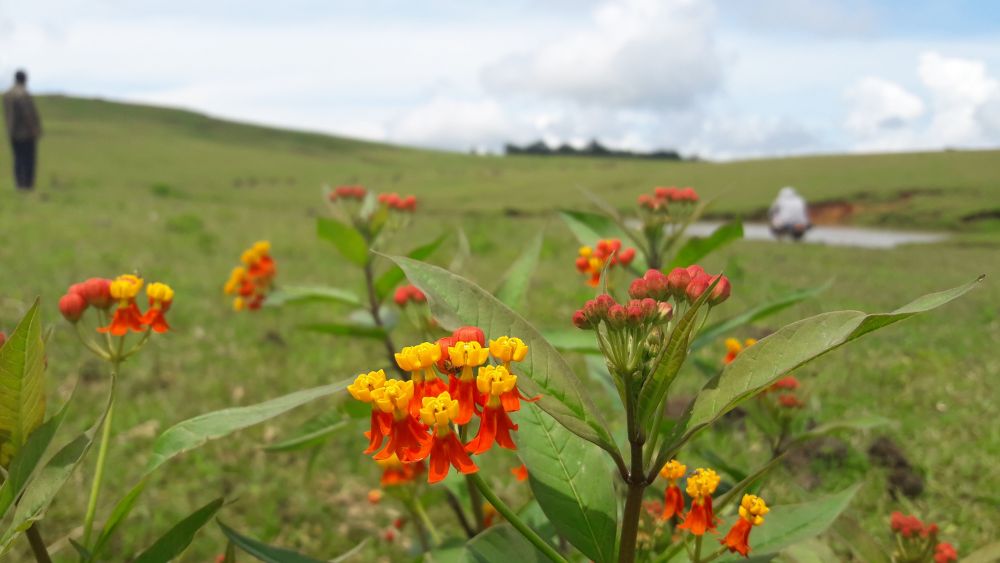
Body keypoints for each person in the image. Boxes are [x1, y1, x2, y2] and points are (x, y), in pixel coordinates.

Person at [3, 70, 42, 191]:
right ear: (24, 79)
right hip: (26, 134)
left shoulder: (8, 94)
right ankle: (28, 186)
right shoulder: (23, 94)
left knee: (17, 160)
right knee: (28, 160)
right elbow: (27, 114)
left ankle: (19, 185)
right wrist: (35, 130)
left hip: (12, 132)